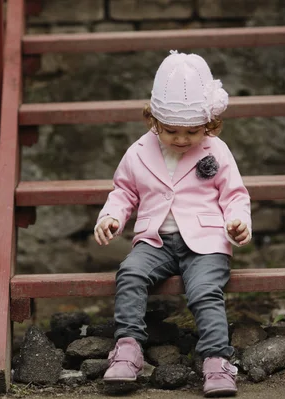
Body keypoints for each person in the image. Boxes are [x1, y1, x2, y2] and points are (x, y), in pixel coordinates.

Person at [93, 51, 251, 397]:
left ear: (209, 125)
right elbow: (123, 192)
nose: (182, 139)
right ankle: (128, 349)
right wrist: (111, 217)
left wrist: (238, 222)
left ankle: (216, 360)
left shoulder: (216, 151)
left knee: (204, 290)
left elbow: (235, 195)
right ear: (154, 121)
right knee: (130, 274)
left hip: (206, 241)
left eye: (192, 131)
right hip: (154, 242)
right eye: (171, 131)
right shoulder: (137, 152)